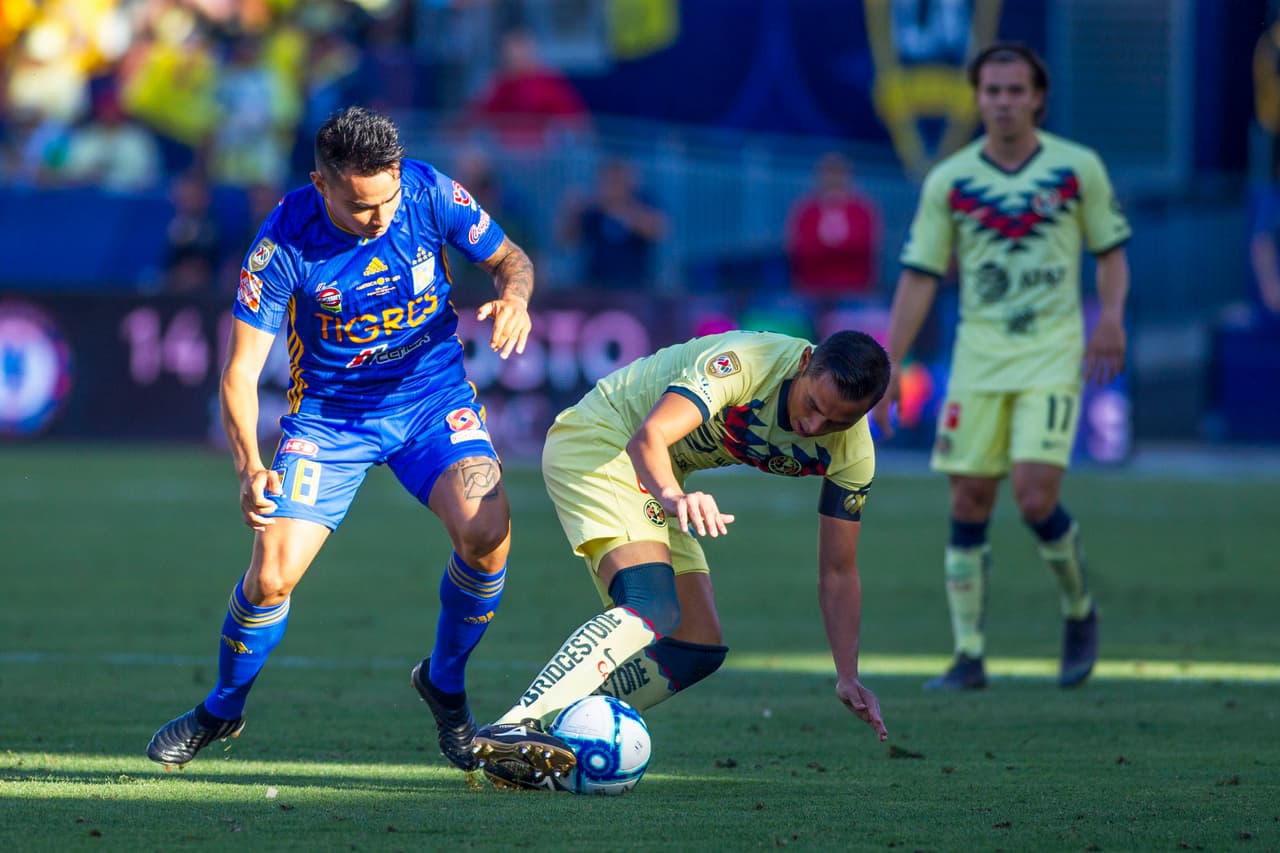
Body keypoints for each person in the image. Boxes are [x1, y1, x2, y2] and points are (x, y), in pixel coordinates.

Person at [146, 105, 535, 771]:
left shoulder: (430, 192)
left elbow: (511, 259)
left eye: (387, 200)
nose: (379, 218)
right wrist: (248, 466)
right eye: (360, 207)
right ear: (321, 184)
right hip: (330, 420)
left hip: (430, 404)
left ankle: (444, 685)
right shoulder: (282, 242)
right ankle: (222, 707)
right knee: (270, 576)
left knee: (487, 528)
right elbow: (239, 374)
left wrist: (516, 297)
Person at [467, 328, 891, 791]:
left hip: (662, 475)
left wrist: (847, 675)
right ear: (805, 364)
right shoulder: (746, 361)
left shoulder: (853, 453)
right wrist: (673, 496)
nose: (814, 427)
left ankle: (544, 737)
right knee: (650, 604)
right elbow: (648, 436)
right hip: (604, 439)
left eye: (836, 422)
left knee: (696, 644)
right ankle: (515, 725)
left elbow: (838, 571)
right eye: (813, 405)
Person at [872, 43, 1131, 690]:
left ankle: (1078, 610)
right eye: (992, 90)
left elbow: (1111, 251)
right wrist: (890, 363)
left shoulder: (1077, 170)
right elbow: (920, 275)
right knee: (968, 496)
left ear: (1038, 97)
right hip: (978, 362)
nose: (1004, 102)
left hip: (1050, 355)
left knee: (1035, 494)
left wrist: (1111, 317)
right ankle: (968, 654)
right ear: (976, 97)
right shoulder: (951, 181)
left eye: (1016, 90)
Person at [558, 159, 668, 290]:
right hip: (595, 283)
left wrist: (620, 209)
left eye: (618, 182)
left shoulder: (643, 201)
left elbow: (657, 230)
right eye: (609, 181)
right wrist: (571, 214)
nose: (613, 187)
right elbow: (566, 241)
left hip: (635, 284)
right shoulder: (593, 210)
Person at [784, 152, 881, 299]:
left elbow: (865, 249)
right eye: (829, 172)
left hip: (854, 290)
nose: (833, 178)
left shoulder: (862, 210)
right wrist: (840, 248)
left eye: (838, 173)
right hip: (812, 290)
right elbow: (801, 251)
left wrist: (827, 246)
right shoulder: (806, 211)